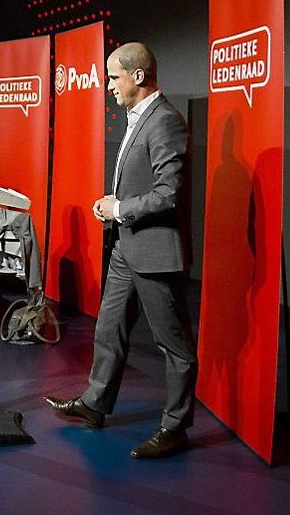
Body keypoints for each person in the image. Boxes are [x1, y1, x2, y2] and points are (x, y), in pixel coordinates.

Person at [44, 42, 195, 460]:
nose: (108, 85)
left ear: (138, 77)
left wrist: (120, 208)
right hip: (128, 247)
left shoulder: (165, 121)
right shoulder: (138, 119)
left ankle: (175, 426)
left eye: (113, 76)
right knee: (109, 328)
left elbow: (169, 193)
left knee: (174, 346)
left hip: (155, 251)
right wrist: (114, 206)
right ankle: (95, 404)